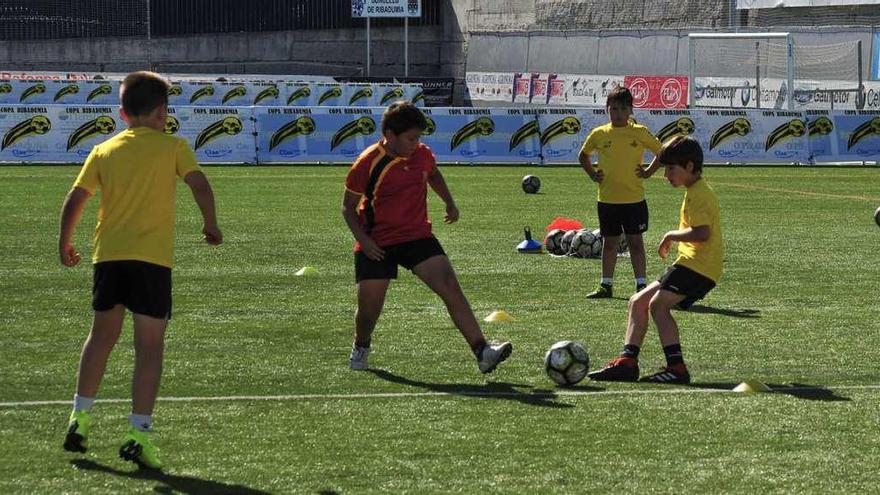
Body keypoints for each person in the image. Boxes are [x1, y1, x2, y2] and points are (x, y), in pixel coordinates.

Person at [59, 71, 222, 469]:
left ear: (122, 113)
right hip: (151, 261)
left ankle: (79, 419)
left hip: (108, 257)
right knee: (149, 348)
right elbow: (200, 185)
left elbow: (76, 197)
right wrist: (211, 224)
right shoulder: (174, 147)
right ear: (163, 112)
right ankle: (138, 434)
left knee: (100, 339)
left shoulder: (103, 149)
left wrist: (64, 242)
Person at [341, 101, 512, 374]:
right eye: (411, 138)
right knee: (369, 311)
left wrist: (449, 202)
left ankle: (482, 350)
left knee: (450, 286)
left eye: (419, 137)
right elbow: (348, 208)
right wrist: (365, 240)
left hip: (416, 235)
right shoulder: (367, 162)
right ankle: (361, 345)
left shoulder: (422, 154)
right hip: (377, 242)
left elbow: (432, 174)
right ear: (390, 135)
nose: (416, 143)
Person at [587, 136, 722, 384]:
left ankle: (677, 368)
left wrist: (670, 235)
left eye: (671, 168)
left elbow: (703, 234)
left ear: (690, 166)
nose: (665, 175)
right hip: (690, 263)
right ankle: (628, 362)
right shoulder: (694, 191)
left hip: (700, 266)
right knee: (637, 301)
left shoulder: (700, 194)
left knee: (658, 306)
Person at [579, 86, 662, 298]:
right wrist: (592, 174)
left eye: (623, 109)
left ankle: (641, 285)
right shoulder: (599, 134)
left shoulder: (639, 132)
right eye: (613, 109)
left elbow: (662, 152)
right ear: (607, 110)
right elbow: (583, 155)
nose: (618, 114)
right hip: (607, 199)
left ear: (630, 110)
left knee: (635, 243)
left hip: (634, 199)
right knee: (609, 244)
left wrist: (648, 171)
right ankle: (606, 285)